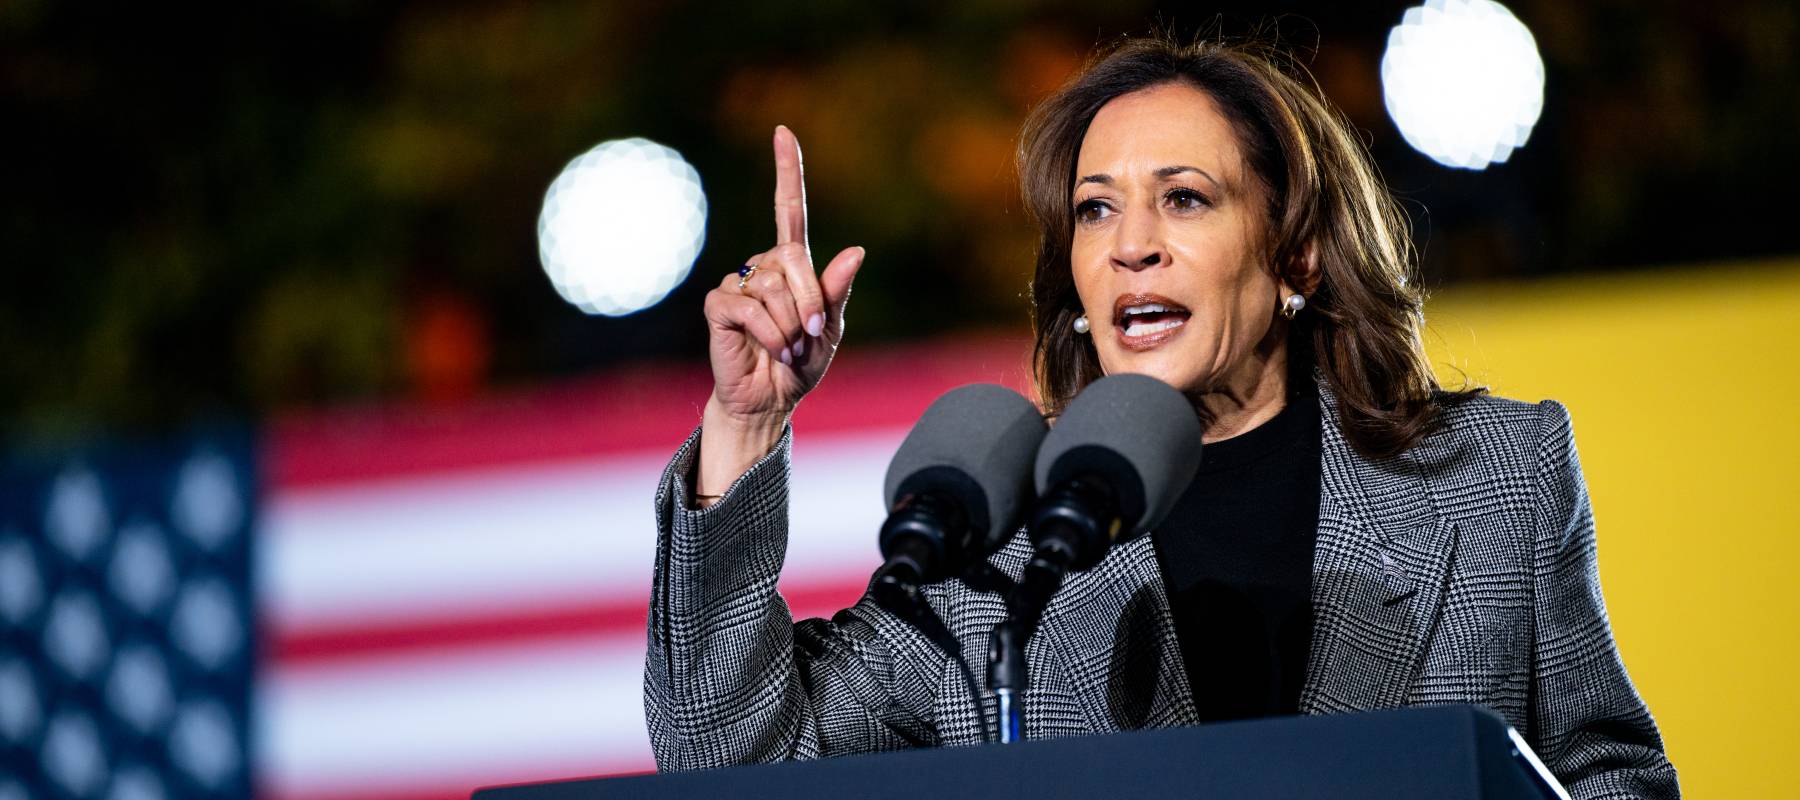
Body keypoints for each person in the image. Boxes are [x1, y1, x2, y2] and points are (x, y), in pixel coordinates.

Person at [643, 35, 1679, 798]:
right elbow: (730, 758)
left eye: (1183, 197)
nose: (1129, 243)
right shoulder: (996, 550)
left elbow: (1611, 775)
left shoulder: (1498, 473)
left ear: (1297, 256)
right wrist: (747, 424)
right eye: (1095, 208)